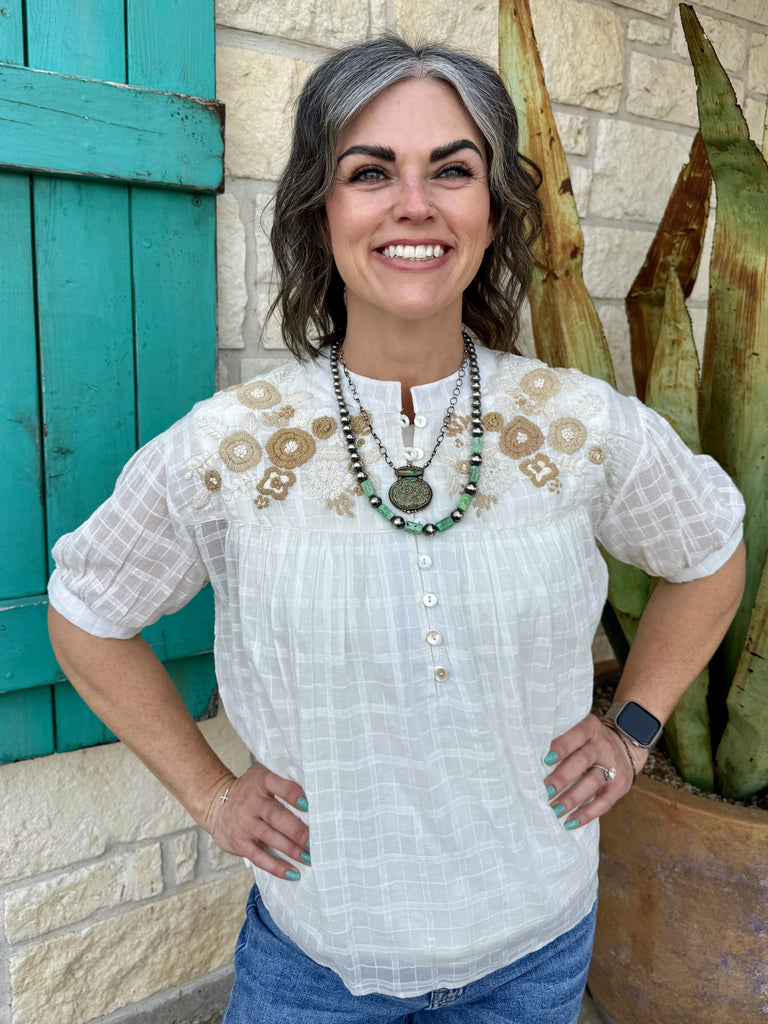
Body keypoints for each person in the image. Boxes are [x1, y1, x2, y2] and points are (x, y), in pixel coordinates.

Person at [48, 35, 745, 1024]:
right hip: (316, 958)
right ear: (320, 208)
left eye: (451, 170)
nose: (413, 204)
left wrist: (634, 730)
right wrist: (212, 795)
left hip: (537, 949)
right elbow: (87, 611)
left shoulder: (579, 426)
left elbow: (709, 550)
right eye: (370, 172)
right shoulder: (233, 446)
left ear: (492, 209)